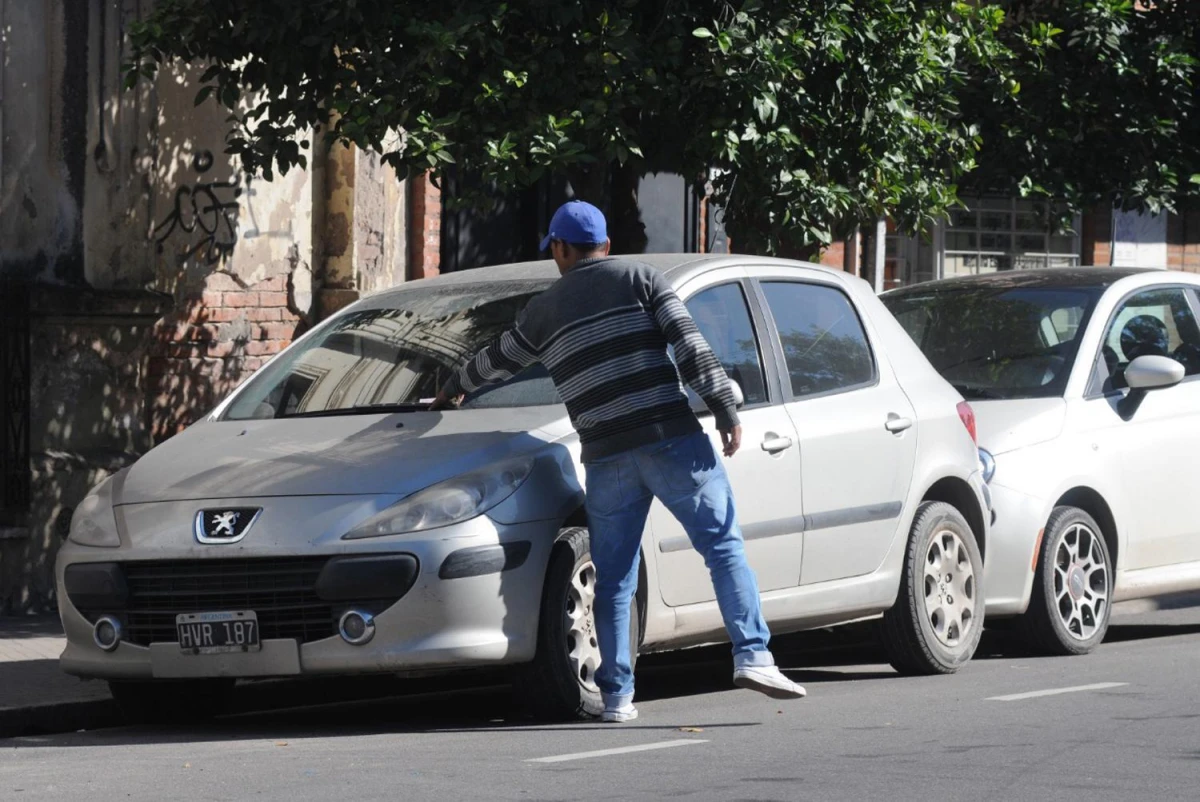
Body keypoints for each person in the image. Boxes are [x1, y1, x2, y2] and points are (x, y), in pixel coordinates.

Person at [432, 200, 806, 722]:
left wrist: (452, 389)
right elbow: (690, 345)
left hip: (607, 457)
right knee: (722, 548)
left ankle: (617, 697)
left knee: (614, 579)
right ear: (605, 245)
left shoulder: (542, 311)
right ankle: (753, 656)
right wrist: (723, 406)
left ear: (560, 249)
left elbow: (497, 360)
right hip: (670, 439)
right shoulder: (642, 279)